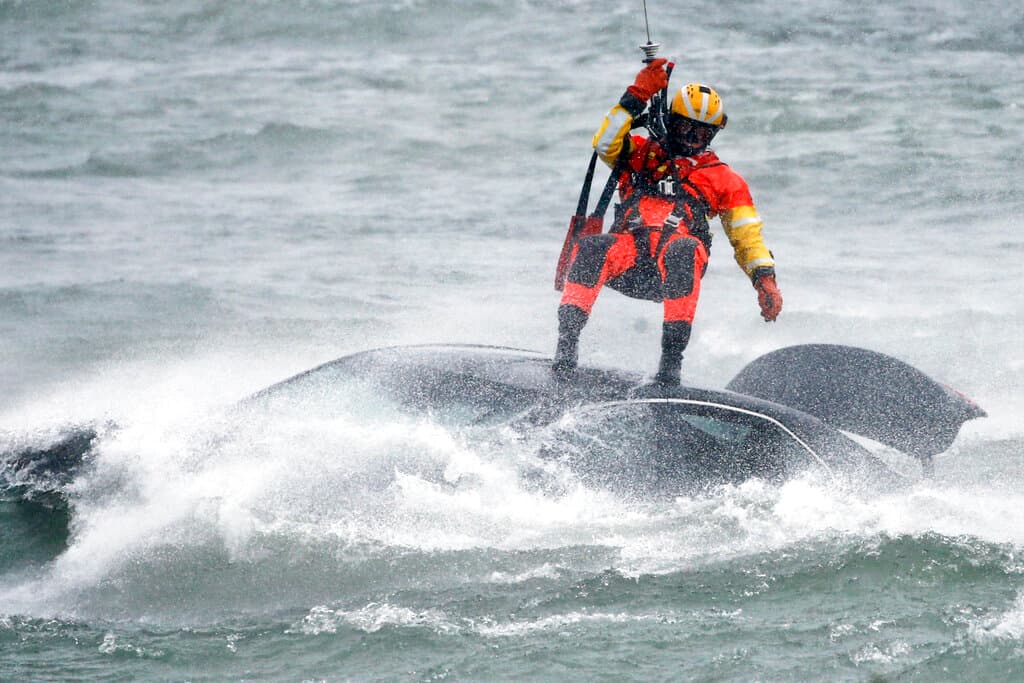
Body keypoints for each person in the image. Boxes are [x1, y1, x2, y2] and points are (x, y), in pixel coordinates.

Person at [553, 58, 783, 386]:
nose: (692, 137)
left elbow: (748, 238)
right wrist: (636, 95)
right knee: (592, 246)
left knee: (683, 250)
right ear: (671, 121)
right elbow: (603, 143)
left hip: (676, 267)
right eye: (685, 127)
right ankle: (565, 349)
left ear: (716, 132)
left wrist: (765, 280)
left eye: (702, 131)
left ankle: (670, 365)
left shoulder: (725, 180)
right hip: (628, 259)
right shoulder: (641, 152)